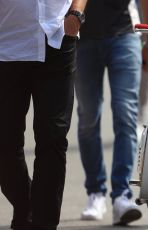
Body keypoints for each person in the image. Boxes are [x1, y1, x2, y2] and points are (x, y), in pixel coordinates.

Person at [0, 0, 87, 229]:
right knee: (4, 144)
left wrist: (76, 13)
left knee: (54, 138)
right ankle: (26, 205)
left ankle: (43, 223)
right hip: (6, 47)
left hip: (58, 38)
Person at [75, 0, 148, 225]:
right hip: (82, 39)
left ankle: (122, 195)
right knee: (88, 118)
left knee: (126, 114)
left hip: (125, 35)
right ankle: (96, 192)